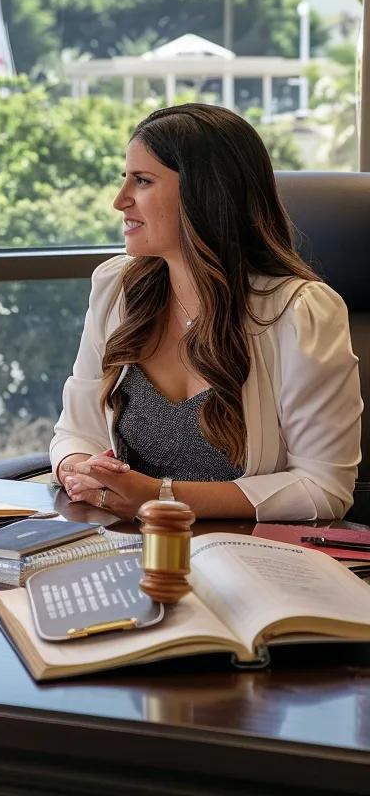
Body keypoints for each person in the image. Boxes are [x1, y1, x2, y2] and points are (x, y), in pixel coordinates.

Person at [50, 103, 360, 522]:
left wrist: (161, 496)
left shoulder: (301, 312)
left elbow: (324, 488)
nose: (119, 201)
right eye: (125, 179)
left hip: (248, 563)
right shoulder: (116, 290)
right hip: (126, 552)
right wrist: (76, 468)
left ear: (205, 193)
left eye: (142, 181)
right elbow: (76, 431)